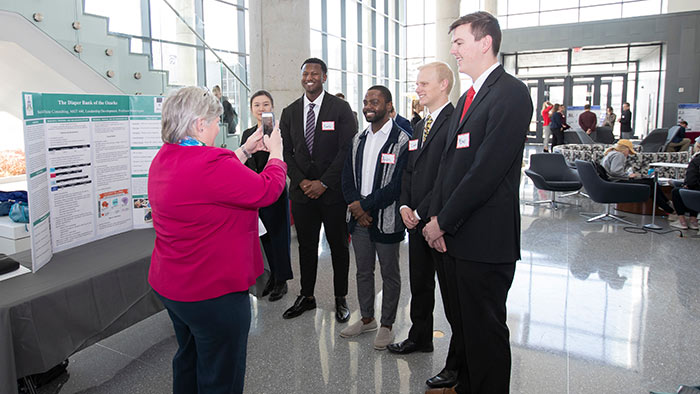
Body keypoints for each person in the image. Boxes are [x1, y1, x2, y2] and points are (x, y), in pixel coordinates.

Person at [148, 86, 286, 394]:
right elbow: (267, 190)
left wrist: (246, 150)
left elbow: (209, 181)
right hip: (213, 293)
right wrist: (276, 154)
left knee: (189, 358)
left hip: (174, 287)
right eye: (215, 122)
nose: (217, 127)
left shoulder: (165, 157)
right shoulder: (211, 163)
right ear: (199, 125)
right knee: (221, 376)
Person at [421, 12, 533, 394]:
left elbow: (485, 172)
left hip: (484, 240)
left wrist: (442, 222)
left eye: (459, 42)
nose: (453, 50)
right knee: (466, 331)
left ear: (485, 43)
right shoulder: (468, 97)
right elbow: (447, 166)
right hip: (456, 236)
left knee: (485, 336)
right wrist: (437, 219)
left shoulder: (511, 93)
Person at [386, 61, 460, 390]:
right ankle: (420, 337)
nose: (418, 88)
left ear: (444, 85)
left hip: (441, 222)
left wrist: (421, 209)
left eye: (424, 83)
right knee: (420, 284)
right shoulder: (418, 126)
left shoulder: (456, 122)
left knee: (454, 297)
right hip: (415, 221)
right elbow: (408, 172)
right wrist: (404, 205)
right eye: (417, 83)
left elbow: (451, 176)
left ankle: (458, 363)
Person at [280, 58, 358, 323]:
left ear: (324, 77)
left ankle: (340, 297)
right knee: (306, 247)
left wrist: (323, 182)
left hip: (333, 193)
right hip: (302, 195)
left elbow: (346, 150)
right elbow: (286, 153)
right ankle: (307, 296)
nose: (309, 77)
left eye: (315, 73)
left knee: (338, 246)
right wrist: (302, 181)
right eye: (305, 73)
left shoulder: (341, 109)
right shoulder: (289, 112)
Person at [339, 85, 409, 350]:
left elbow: (396, 186)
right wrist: (356, 207)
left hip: (387, 220)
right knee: (363, 272)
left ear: (388, 106)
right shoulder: (358, 139)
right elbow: (347, 176)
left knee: (390, 274)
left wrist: (365, 206)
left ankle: (387, 324)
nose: (369, 105)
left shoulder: (402, 140)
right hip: (359, 220)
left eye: (375, 102)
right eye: (366, 101)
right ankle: (367, 318)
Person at [241, 90, 293, 301]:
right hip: (255, 193)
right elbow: (247, 162)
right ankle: (272, 275)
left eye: (265, 105)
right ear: (252, 109)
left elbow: (283, 159)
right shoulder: (248, 134)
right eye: (257, 105)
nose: (261, 109)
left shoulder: (280, 133)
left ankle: (282, 281)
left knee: (280, 238)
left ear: (272, 107)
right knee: (265, 239)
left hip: (276, 192)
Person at [600, 139, 675, 214]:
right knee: (651, 184)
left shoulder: (610, 153)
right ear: (625, 149)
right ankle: (668, 207)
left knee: (650, 182)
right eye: (629, 152)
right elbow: (615, 171)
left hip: (611, 181)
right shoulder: (619, 155)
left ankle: (666, 205)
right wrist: (628, 175)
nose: (628, 154)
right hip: (617, 181)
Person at [669, 137, 700, 230]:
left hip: (697, 192)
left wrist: (686, 185)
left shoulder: (696, 160)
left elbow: (691, 180)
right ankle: (693, 221)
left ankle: (682, 221)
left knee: (677, 191)